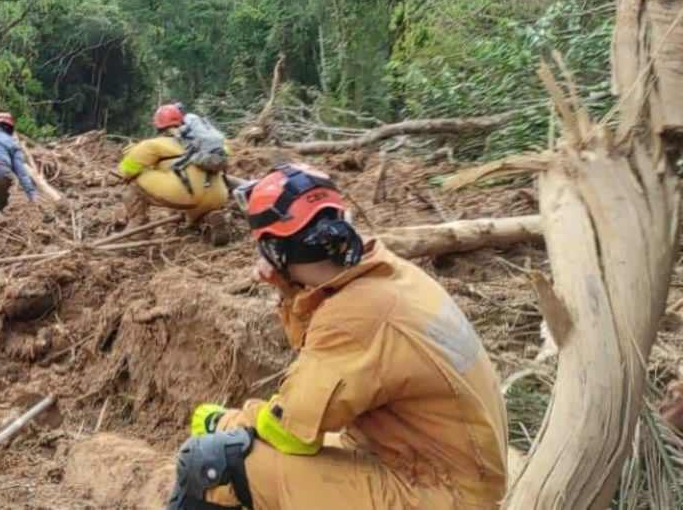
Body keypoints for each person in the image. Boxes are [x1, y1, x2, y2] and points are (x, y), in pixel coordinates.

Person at [168, 163, 507, 510]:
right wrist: (289, 290)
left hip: (435, 492)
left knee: (211, 461)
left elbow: (290, 429)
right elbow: (321, 353)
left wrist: (221, 421)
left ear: (274, 251)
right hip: (435, 465)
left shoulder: (355, 315)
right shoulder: (386, 273)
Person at [116, 102, 230, 227]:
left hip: (187, 195)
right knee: (186, 182)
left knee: (133, 181)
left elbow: (126, 171)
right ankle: (205, 220)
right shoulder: (207, 144)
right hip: (219, 196)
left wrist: (130, 156)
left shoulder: (154, 144)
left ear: (158, 126)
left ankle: (138, 225)